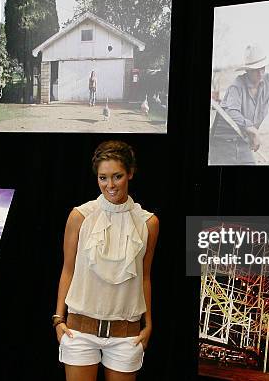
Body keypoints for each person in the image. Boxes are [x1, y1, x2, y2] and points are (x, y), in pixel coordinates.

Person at [54, 140, 159, 381]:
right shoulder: (80, 216)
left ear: (130, 173)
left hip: (126, 335)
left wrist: (148, 324)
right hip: (78, 332)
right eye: (103, 178)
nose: (110, 185)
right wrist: (58, 319)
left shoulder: (148, 223)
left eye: (117, 176)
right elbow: (67, 269)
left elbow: (145, 276)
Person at [209, 43, 269, 165]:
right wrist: (252, 129)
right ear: (247, 71)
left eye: (262, 68)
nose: (260, 73)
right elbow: (231, 111)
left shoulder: (268, 80)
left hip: (243, 142)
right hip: (222, 144)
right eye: (255, 70)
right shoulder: (237, 85)